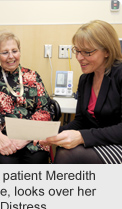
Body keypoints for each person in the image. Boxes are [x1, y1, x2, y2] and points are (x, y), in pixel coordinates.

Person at [37, 20, 122, 164]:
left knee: (68, 155)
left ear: (107, 51)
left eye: (87, 52)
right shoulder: (85, 79)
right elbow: (81, 121)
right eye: (77, 50)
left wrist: (82, 137)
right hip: (100, 140)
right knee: (64, 149)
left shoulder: (119, 75)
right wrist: (51, 134)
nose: (79, 57)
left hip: (117, 142)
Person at [0, 30, 53, 164]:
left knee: (37, 160)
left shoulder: (33, 76)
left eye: (14, 51)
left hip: (31, 136)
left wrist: (26, 137)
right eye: (5, 52)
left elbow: (45, 108)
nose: (11, 56)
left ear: (20, 51)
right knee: (5, 163)